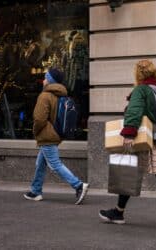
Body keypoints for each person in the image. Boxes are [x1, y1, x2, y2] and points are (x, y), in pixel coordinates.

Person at [99, 60, 156, 232]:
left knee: (129, 172)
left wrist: (129, 132)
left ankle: (119, 213)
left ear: (138, 73)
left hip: (144, 139)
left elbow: (135, 110)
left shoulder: (140, 90)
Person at [23, 68, 89, 204]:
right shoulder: (61, 95)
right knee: (40, 164)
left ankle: (78, 185)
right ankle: (35, 191)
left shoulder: (45, 95)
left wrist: (35, 131)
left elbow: (39, 119)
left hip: (47, 135)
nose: (44, 80)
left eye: (46, 77)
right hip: (55, 134)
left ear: (51, 80)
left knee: (55, 164)